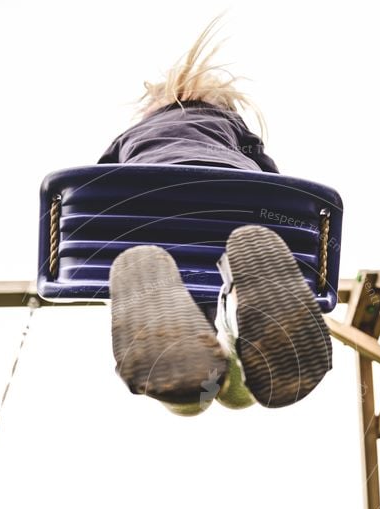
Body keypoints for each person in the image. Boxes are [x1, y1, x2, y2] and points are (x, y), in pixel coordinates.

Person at [99, 18, 332, 415]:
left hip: (149, 215)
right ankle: (240, 314)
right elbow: (271, 180)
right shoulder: (230, 124)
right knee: (236, 277)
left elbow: (99, 187)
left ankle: (188, 383)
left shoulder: (131, 136)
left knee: (179, 334)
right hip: (236, 208)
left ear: (149, 111)